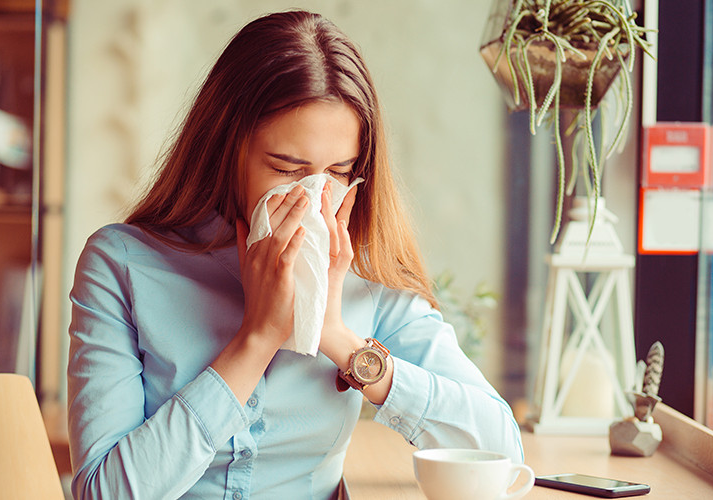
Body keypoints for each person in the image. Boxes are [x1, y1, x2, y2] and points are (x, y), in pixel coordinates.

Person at [67, 10, 523, 500]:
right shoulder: (123, 264)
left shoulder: (368, 276)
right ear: (226, 151)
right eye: (287, 169)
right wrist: (257, 339)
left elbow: (501, 449)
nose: (313, 198)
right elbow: (103, 493)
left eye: (338, 172)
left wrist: (335, 336)